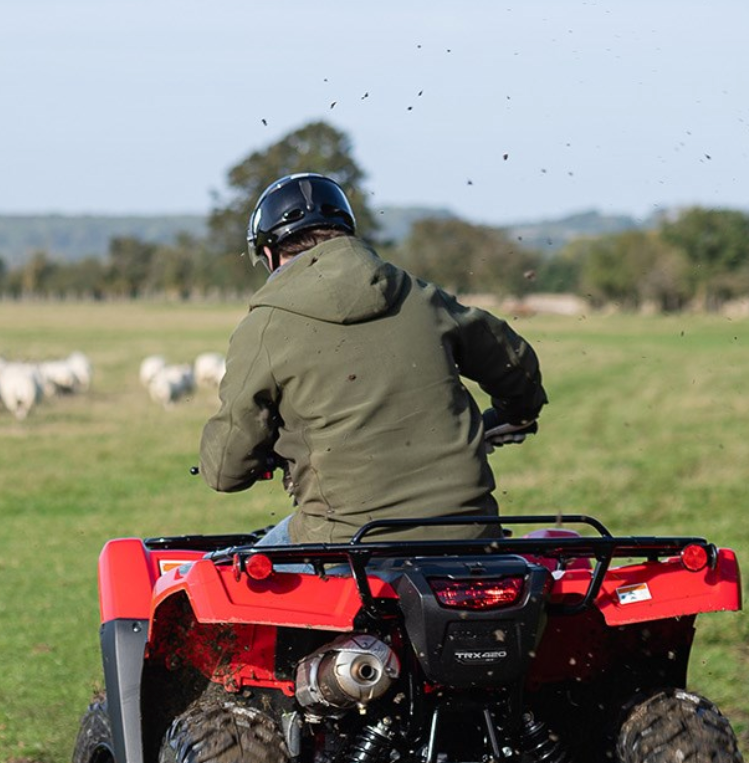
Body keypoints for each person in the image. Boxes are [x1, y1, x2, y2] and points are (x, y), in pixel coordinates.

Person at [198, 172, 546, 546]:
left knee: (238, 569)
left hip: (344, 545)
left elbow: (224, 472)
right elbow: (515, 364)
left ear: (269, 253)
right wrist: (513, 413)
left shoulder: (264, 325)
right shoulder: (420, 295)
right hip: (470, 534)